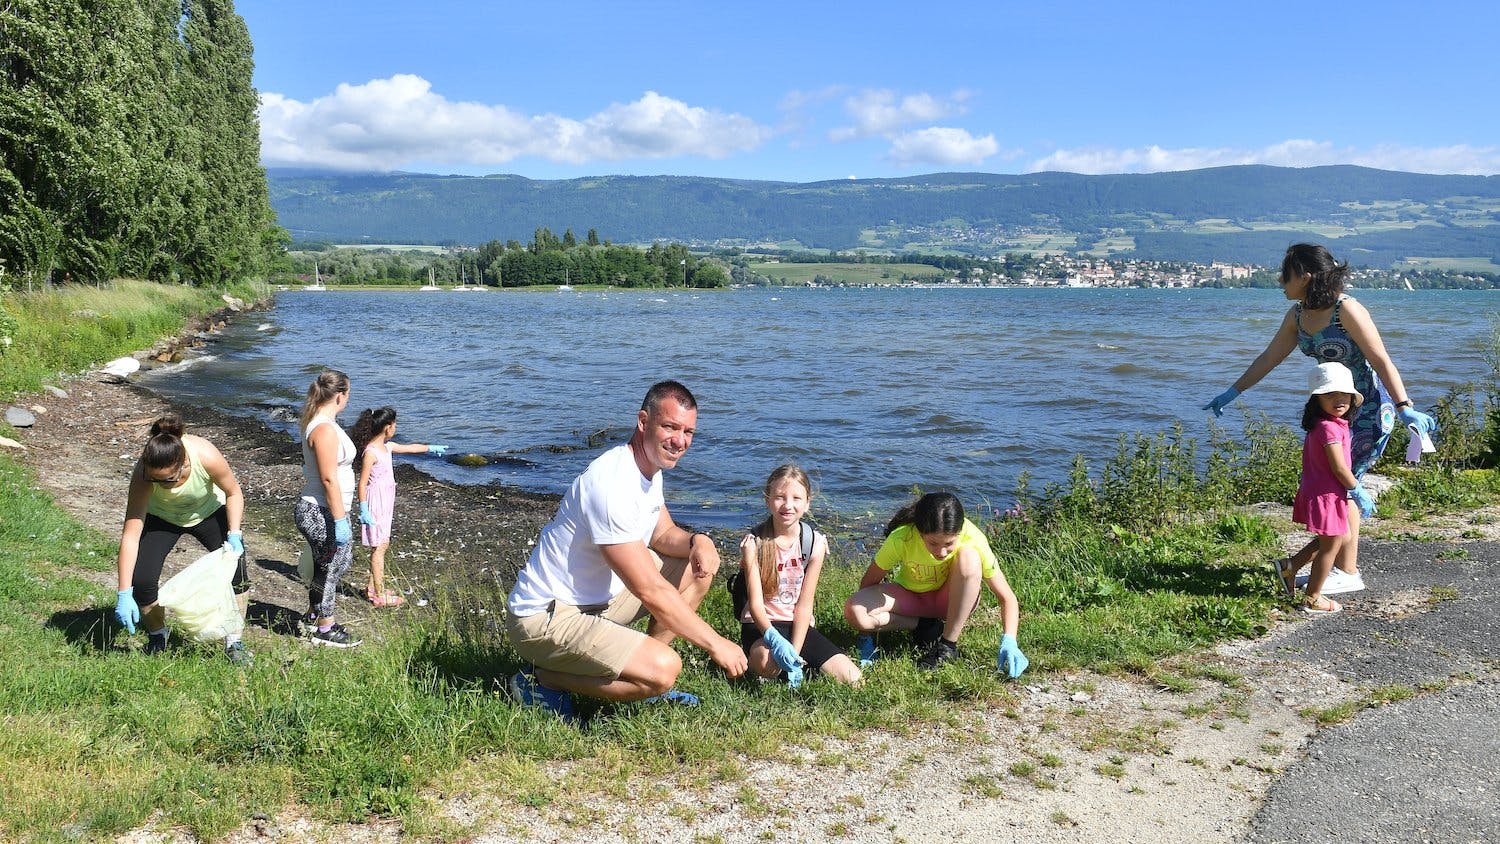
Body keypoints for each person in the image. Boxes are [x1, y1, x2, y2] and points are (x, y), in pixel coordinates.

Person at [504, 380, 749, 720]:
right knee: (666, 669)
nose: (680, 441)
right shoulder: (612, 483)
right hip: (545, 619)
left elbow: (662, 534)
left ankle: (638, 673)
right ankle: (543, 679)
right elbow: (649, 589)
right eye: (670, 427)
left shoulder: (649, 468)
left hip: (595, 603)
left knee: (695, 568)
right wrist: (716, 643)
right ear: (643, 422)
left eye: (689, 432)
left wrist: (698, 540)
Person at [1204, 243, 1439, 594]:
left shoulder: (1348, 309)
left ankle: (1340, 571)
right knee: (1339, 487)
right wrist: (1233, 392)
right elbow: (1268, 359)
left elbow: (1381, 360)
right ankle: (1335, 569)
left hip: (1368, 408)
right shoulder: (1297, 316)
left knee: (1343, 485)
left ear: (1305, 275)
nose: (1281, 282)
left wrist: (1405, 406)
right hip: (1331, 412)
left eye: (1286, 274)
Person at [112, 414, 253, 664]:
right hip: (162, 518)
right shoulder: (144, 474)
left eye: (167, 480)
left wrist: (234, 533)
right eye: (156, 480)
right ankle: (158, 636)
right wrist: (124, 592)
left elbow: (233, 492)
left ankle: (234, 642)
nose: (161, 485)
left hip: (208, 512)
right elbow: (131, 535)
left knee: (237, 572)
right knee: (142, 581)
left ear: (183, 463)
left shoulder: (205, 455)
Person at [843, 492, 1027, 676]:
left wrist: (1010, 640)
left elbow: (1007, 598)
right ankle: (924, 626)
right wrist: (865, 633)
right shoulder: (903, 537)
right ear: (919, 531)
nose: (942, 551)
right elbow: (869, 582)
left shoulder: (974, 538)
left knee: (969, 557)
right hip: (912, 599)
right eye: (933, 543)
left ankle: (947, 646)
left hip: (949, 602)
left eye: (949, 543)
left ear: (960, 531)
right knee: (854, 609)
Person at [736, 464, 862, 687]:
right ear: (767, 500)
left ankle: (798, 665)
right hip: (761, 626)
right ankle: (768, 667)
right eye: (780, 497)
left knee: (854, 680)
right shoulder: (754, 543)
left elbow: (804, 606)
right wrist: (775, 640)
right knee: (767, 663)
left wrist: (793, 650)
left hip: (797, 625)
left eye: (796, 498)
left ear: (807, 503)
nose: (788, 505)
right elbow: (755, 606)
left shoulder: (814, 544)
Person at [1278, 363, 1375, 615]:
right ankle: (1312, 598)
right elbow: (1339, 468)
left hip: (1326, 492)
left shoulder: (1329, 423)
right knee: (1331, 547)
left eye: (1344, 394)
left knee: (1337, 538)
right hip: (1327, 495)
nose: (1339, 399)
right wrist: (1357, 491)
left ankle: (1289, 566)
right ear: (1317, 399)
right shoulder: (1329, 428)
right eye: (1330, 395)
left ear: (1353, 398)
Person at [348, 406, 447, 608]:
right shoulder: (371, 453)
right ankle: (379, 595)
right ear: (387, 427)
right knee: (380, 547)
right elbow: (362, 483)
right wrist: (363, 509)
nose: (396, 427)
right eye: (394, 424)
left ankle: (372, 588)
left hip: (386, 501)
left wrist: (430, 448)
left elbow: (410, 448)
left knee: (381, 544)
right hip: (376, 503)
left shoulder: (388, 446)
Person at [293, 369, 361, 647]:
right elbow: (328, 477)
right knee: (330, 568)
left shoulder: (325, 424)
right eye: (348, 395)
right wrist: (340, 519)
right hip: (320, 510)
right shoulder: (323, 428)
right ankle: (324, 629)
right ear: (340, 395)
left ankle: (313, 615)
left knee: (333, 565)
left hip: (326, 510)